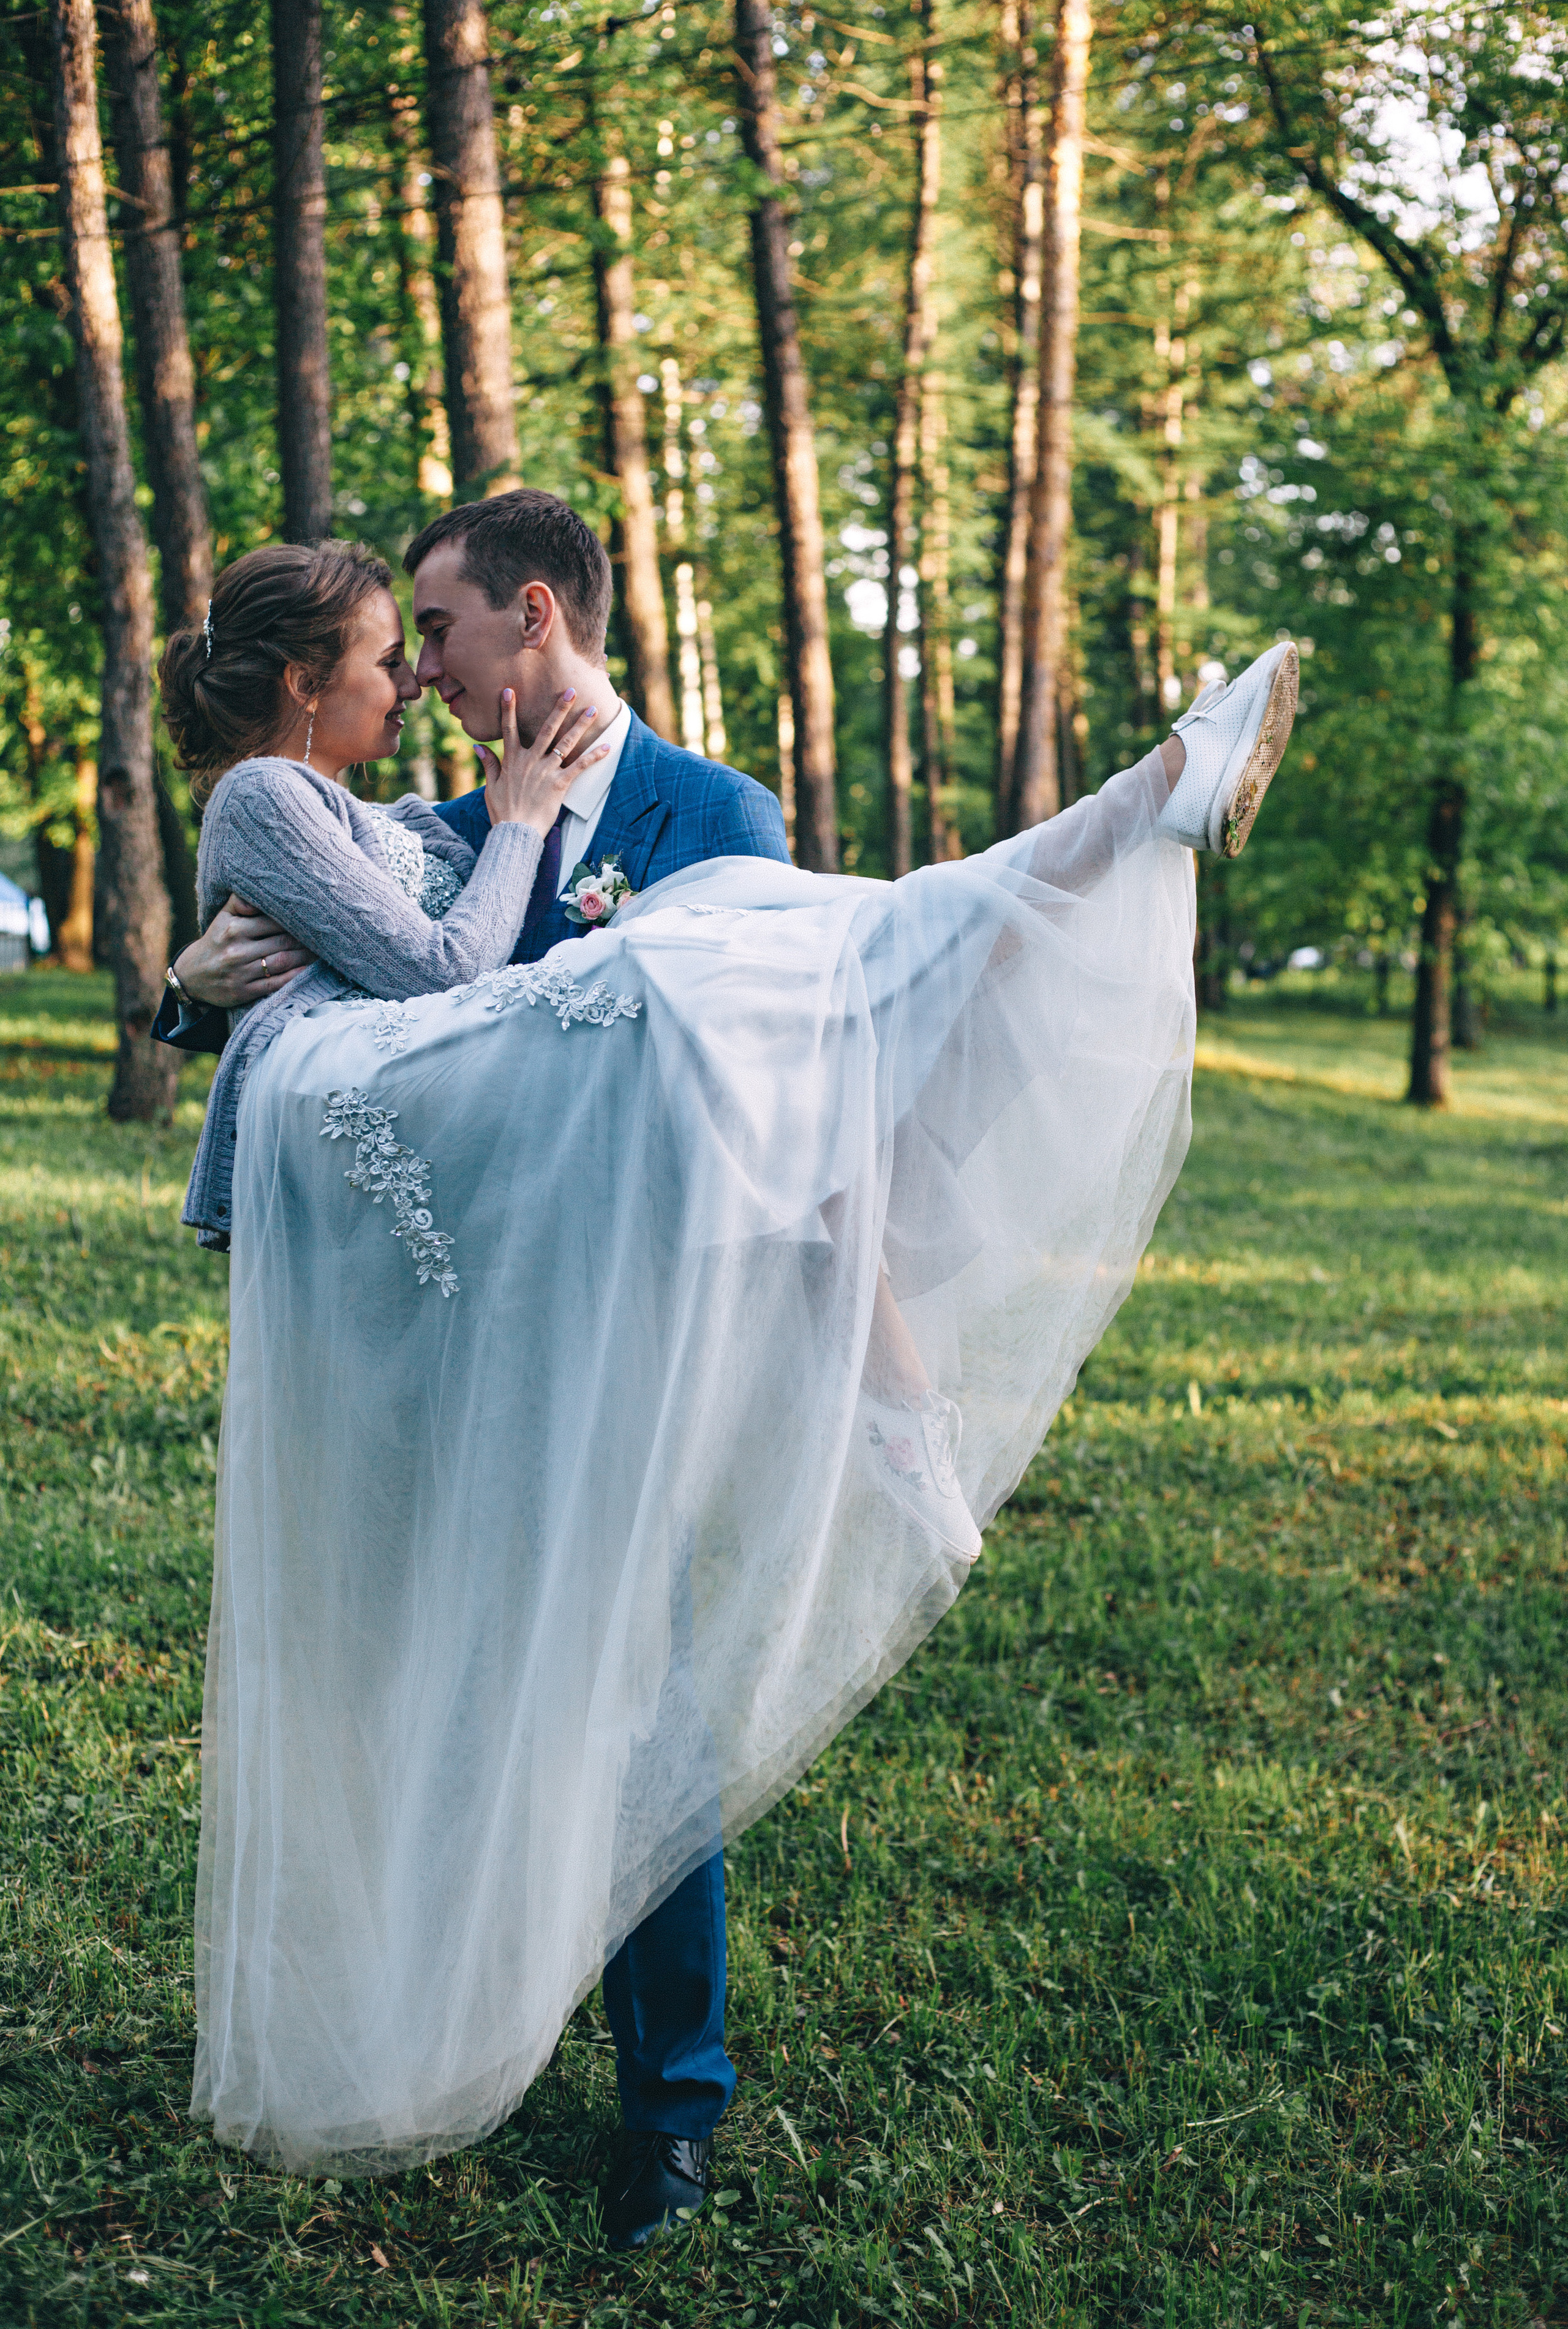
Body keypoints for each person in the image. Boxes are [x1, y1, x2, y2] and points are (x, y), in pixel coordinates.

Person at [158, 511, 1297, 2224]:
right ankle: (467, 2013)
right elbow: (341, 941)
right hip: (458, 1305)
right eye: (406, 649)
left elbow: (814, 1127)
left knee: (645, 1693)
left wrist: (889, 1372)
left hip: (652, 1318)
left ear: (530, 617)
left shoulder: (719, 820)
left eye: (445, 632)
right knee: (466, 1684)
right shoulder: (445, 815)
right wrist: (186, 990)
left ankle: (667, 2103)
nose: (432, 672)